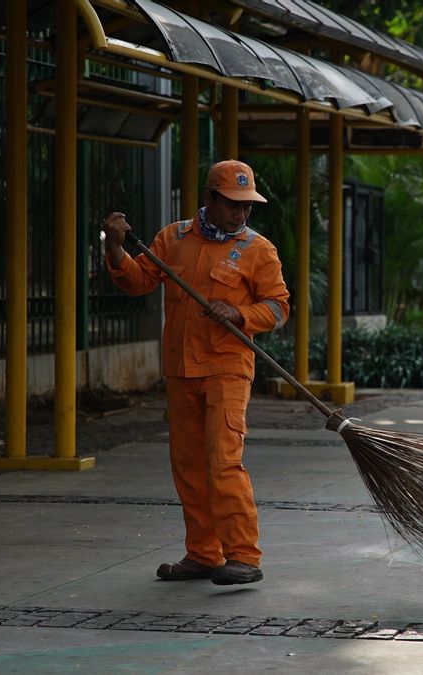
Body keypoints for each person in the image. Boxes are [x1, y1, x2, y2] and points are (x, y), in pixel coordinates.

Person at [102, 160, 290, 586]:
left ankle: (243, 556)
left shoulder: (259, 250)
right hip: (181, 369)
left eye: (247, 206)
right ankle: (204, 554)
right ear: (209, 199)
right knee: (187, 465)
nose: (241, 213)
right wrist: (115, 247)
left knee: (223, 462)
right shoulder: (172, 238)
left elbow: (280, 307)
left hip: (227, 367)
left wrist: (240, 314)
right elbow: (136, 282)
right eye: (232, 204)